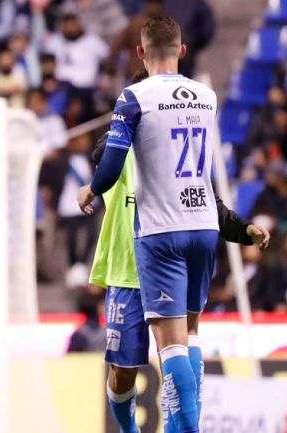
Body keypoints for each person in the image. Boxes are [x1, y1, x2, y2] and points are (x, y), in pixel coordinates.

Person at [77, 15, 217, 432]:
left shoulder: (133, 98)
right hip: (201, 227)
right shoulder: (206, 96)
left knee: (173, 343)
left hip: (160, 233)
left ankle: (186, 428)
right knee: (185, 339)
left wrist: (92, 189)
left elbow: (110, 162)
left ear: (140, 51)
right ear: (183, 50)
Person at [87, 130, 270, 433]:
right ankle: (128, 428)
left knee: (179, 343)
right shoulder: (119, 147)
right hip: (127, 272)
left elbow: (212, 208)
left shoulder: (182, 160)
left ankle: (182, 428)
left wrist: (245, 229)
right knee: (122, 372)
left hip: (168, 269)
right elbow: (99, 153)